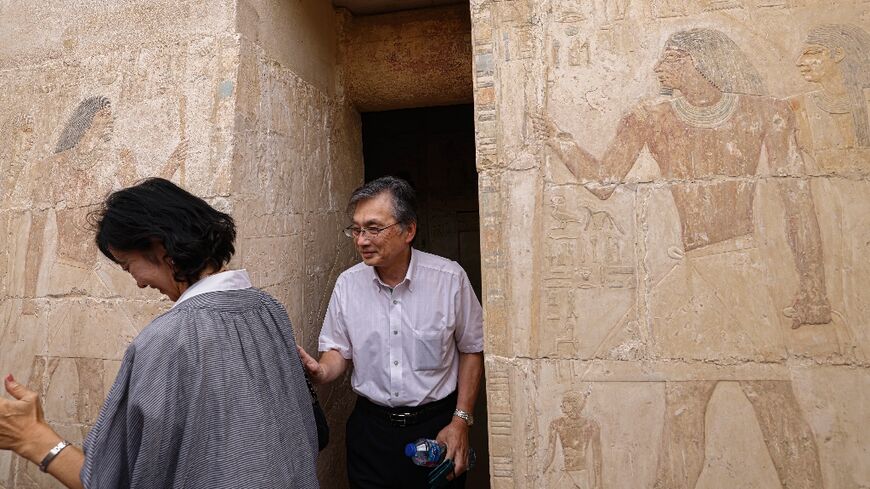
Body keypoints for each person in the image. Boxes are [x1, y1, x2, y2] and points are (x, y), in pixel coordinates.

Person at [534, 28, 827, 489]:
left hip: (741, 273)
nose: (657, 69)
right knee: (684, 409)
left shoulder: (765, 113)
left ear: (699, 61)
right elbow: (605, 180)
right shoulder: (649, 117)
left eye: (670, 59)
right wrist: (562, 142)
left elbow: (798, 202)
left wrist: (814, 287)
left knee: (774, 402)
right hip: (693, 280)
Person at [0, 178, 319, 488]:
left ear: (159, 245)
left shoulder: (166, 340)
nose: (138, 282)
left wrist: (32, 437)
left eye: (128, 265)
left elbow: (110, 480)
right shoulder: (268, 309)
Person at [297, 176, 484, 489]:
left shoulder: (449, 279)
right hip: (371, 433)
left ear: (408, 230)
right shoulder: (348, 284)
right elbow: (338, 351)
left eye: (373, 228)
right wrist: (321, 370)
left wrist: (461, 420)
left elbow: (471, 349)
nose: (361, 240)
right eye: (356, 229)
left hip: (437, 429)